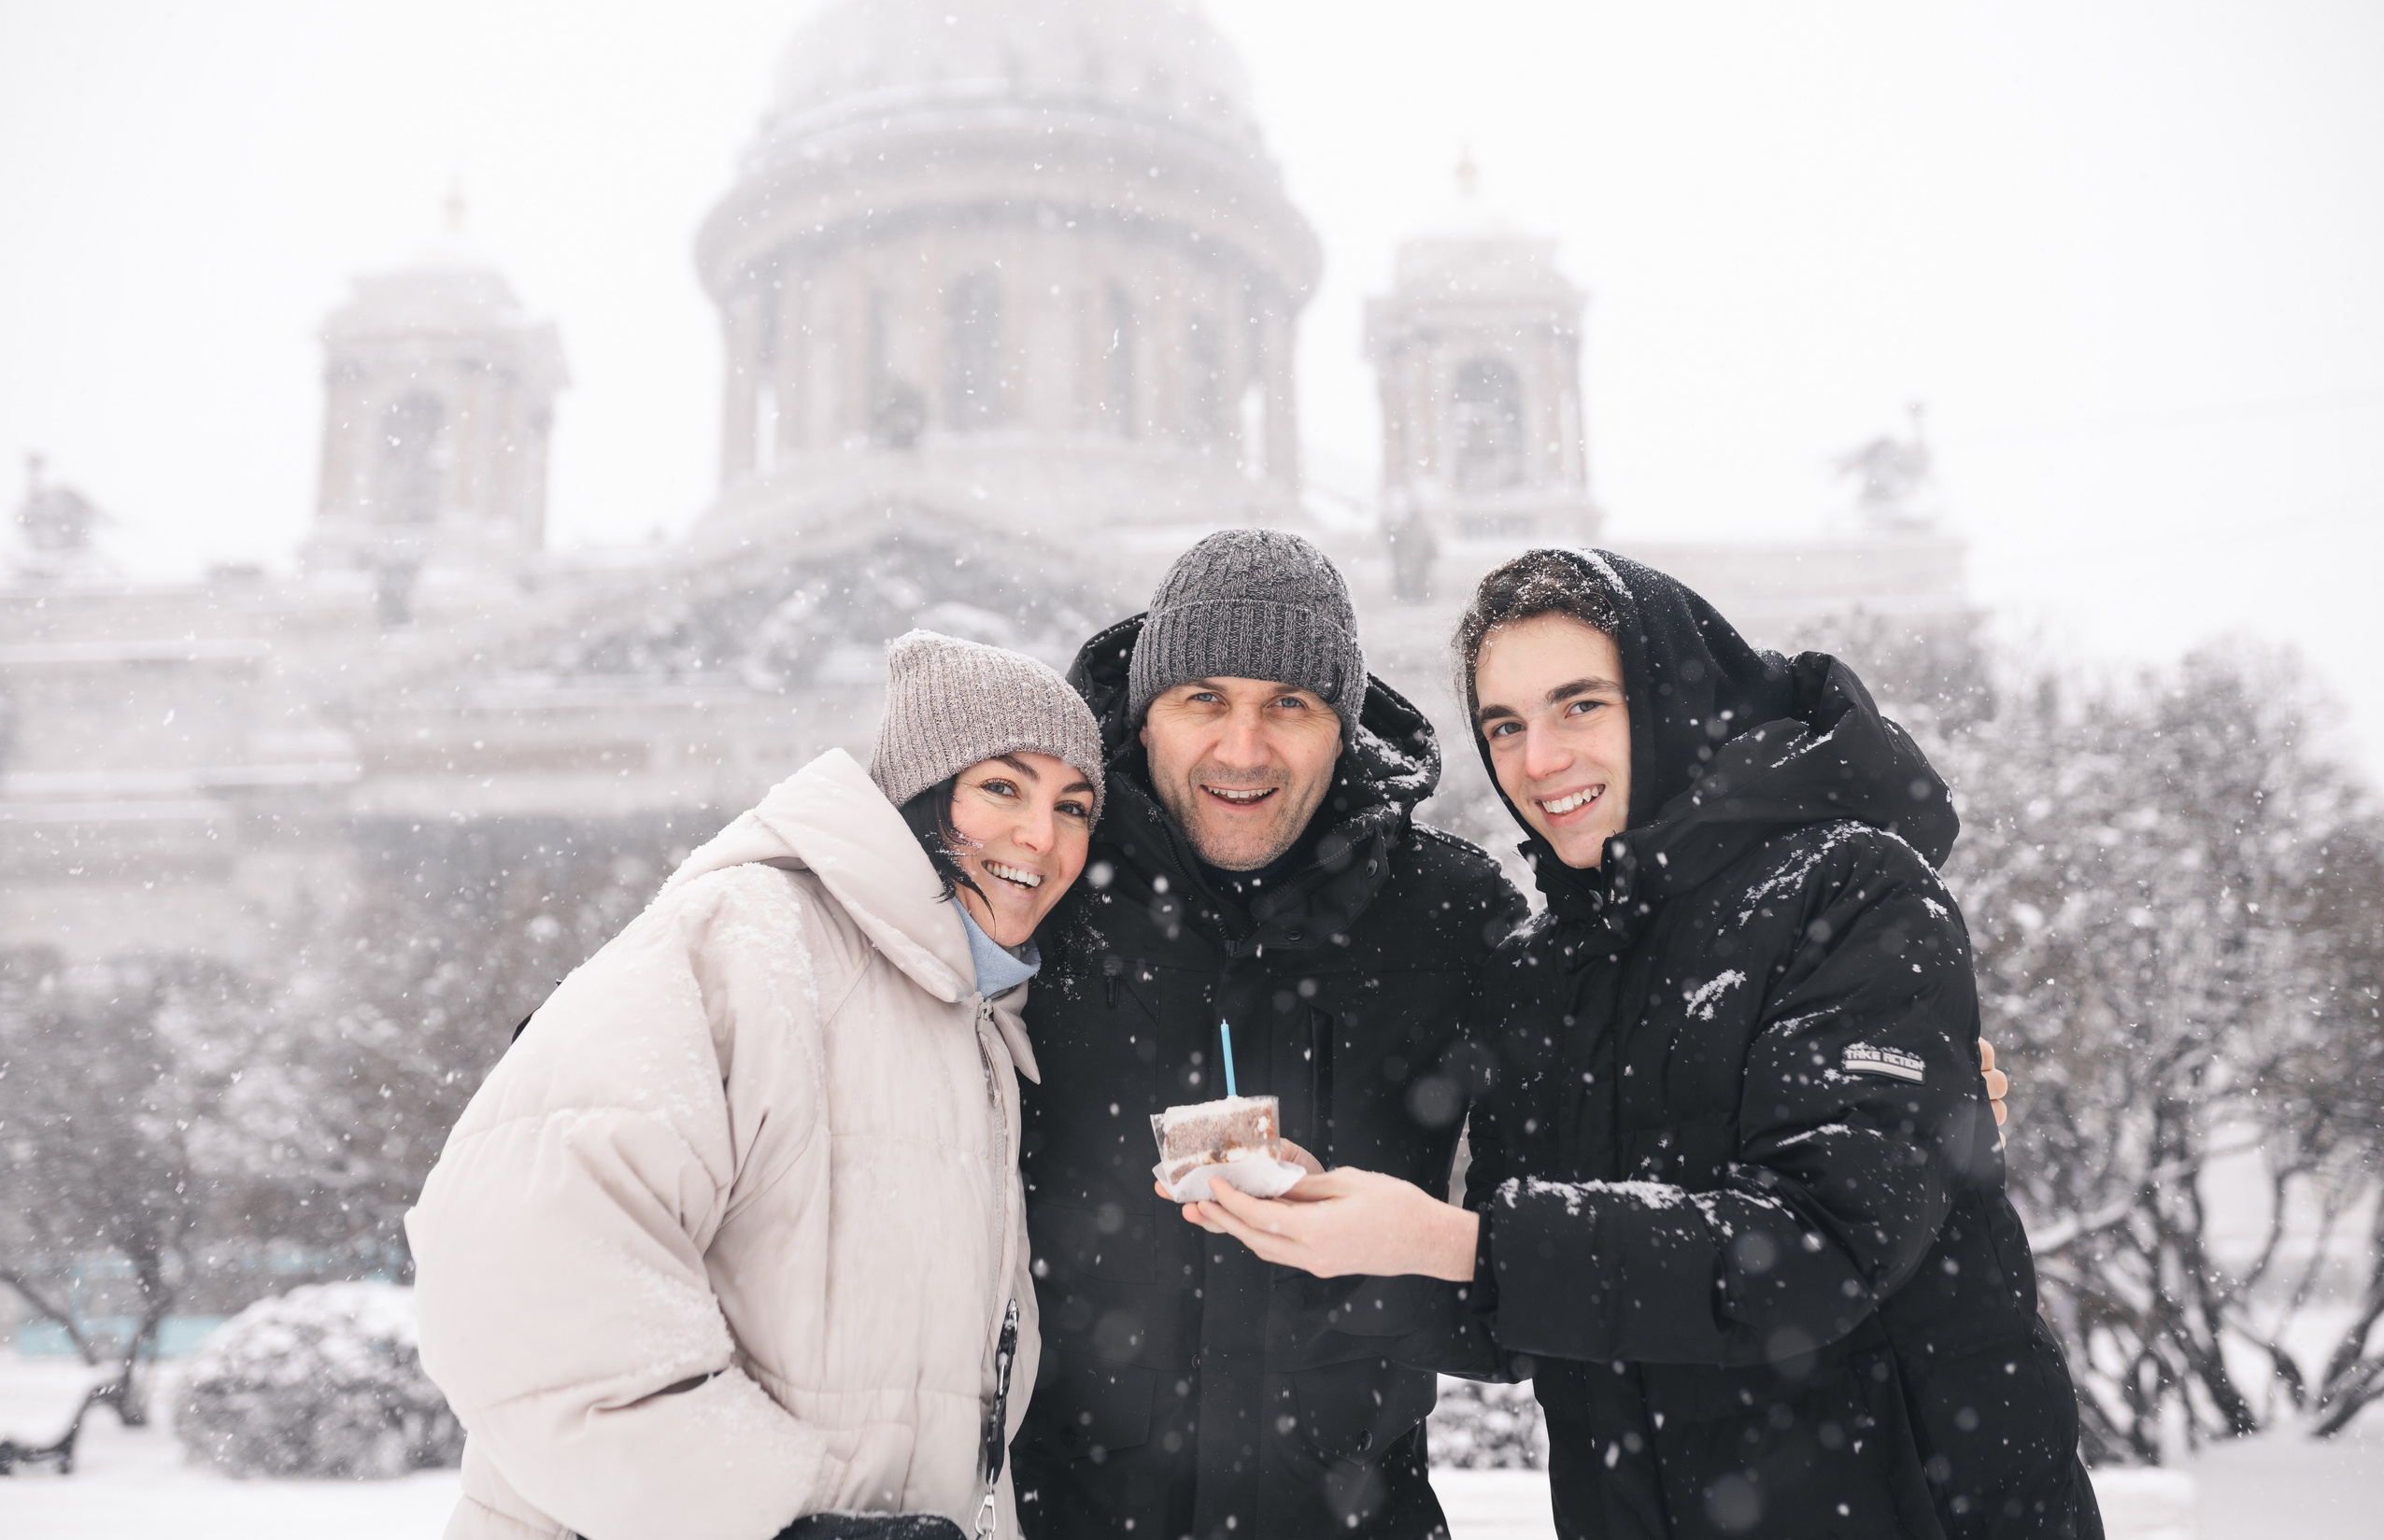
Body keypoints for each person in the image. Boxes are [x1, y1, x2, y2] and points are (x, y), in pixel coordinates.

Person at [1182, 548, 2100, 1540]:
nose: (1538, 761)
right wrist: (1350, 1242)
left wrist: (1455, 1241)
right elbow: (1529, 1312)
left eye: (1580, 707)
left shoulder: (1847, 890)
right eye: (1506, 725)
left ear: (1670, 700)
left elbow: (1815, 1253)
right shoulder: (1543, 969)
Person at [407, 630, 1104, 1540]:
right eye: (1002, 788)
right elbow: (518, 1265)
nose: (1040, 836)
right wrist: (765, 1522)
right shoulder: (747, 941)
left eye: (1074, 806)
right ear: (922, 797)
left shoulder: (977, 1025)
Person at [1013, 529, 1528, 1540]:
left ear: (1342, 727)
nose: (1242, 750)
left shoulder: (1453, 918)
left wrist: (1387, 1251)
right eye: (1203, 699)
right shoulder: (1042, 891)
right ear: (1143, 718)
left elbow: (1532, 1270)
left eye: (1288, 705)